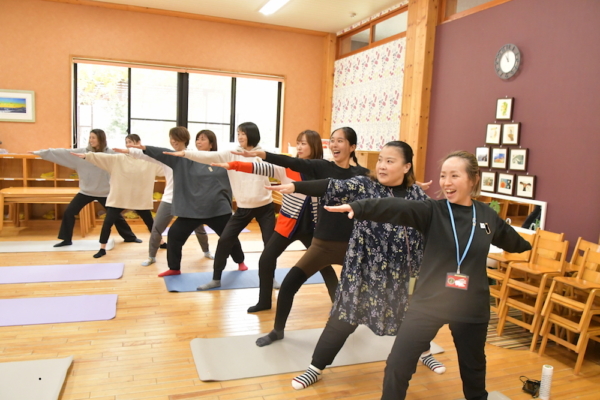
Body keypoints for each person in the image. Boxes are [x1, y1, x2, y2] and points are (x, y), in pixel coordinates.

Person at [325, 150, 532, 400]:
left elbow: (512, 240)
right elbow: (397, 207)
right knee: (398, 364)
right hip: (430, 301)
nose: (446, 182)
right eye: (443, 175)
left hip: (471, 305)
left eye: (454, 175)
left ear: (473, 179)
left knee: (474, 370)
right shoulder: (432, 210)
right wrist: (359, 207)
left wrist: (531, 246)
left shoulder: (487, 215)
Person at [274, 141, 444, 390]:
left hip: (406, 274)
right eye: (380, 160)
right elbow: (331, 185)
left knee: (414, 315)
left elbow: (435, 226)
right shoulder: (365, 185)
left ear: (406, 167)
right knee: (343, 318)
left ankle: (424, 352)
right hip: (363, 271)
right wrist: (295, 186)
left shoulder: (417, 196)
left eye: (390, 161)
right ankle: (315, 368)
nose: (382, 166)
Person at [232, 126, 370, 347]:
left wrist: (407, 182)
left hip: (349, 245)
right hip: (322, 243)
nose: (334, 145)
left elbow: (387, 188)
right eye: (332, 140)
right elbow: (293, 162)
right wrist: (264, 154)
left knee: (353, 287)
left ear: (352, 146)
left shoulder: (363, 175)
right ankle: (277, 330)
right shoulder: (323, 167)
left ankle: (347, 320)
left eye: (340, 141)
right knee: (288, 285)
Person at [210, 129, 336, 312]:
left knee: (323, 265)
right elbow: (258, 168)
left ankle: (338, 301)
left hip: (313, 228)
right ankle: (264, 302)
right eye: (298, 143)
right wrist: (233, 165)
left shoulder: (325, 169)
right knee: (266, 260)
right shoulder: (289, 167)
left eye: (303, 144)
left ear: (314, 146)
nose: (299, 147)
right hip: (288, 226)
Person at [164, 122, 274, 289]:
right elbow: (203, 157)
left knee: (260, 243)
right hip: (218, 209)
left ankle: (255, 270)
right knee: (219, 240)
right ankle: (205, 276)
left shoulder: (259, 155)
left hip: (244, 208)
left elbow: (280, 168)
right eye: (238, 133)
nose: (240, 136)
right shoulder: (227, 155)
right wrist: (185, 153)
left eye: (243, 133)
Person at [127, 127, 245, 277]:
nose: (198, 142)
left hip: (217, 210)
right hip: (192, 210)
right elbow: (163, 153)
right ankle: (174, 267)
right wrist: (141, 148)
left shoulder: (221, 160)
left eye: (203, 139)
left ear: (211, 144)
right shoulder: (186, 158)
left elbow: (240, 167)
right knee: (174, 235)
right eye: (197, 139)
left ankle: (240, 262)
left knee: (229, 236)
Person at [114, 129, 215, 267]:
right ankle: (151, 256)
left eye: (176, 138)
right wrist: (130, 150)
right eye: (171, 138)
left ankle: (206, 251)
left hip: (189, 200)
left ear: (184, 139)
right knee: (156, 228)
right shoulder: (167, 155)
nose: (173, 141)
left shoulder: (192, 155)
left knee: (199, 228)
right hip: (170, 199)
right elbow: (146, 155)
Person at [31, 129, 136, 247]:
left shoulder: (111, 154)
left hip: (105, 192)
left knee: (115, 216)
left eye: (93, 137)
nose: (91, 140)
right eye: (90, 137)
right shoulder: (80, 153)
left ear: (101, 139)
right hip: (86, 191)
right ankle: (66, 239)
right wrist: (41, 153)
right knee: (69, 212)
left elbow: (128, 159)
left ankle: (130, 237)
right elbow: (62, 153)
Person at [71, 134, 162, 258]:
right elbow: (104, 157)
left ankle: (161, 242)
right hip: (120, 197)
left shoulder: (149, 160)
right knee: (107, 222)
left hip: (139, 197)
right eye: (127, 142)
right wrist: (88, 156)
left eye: (131, 142)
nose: (128, 144)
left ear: (139, 143)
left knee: (150, 223)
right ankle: (102, 248)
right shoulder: (119, 159)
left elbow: (164, 167)